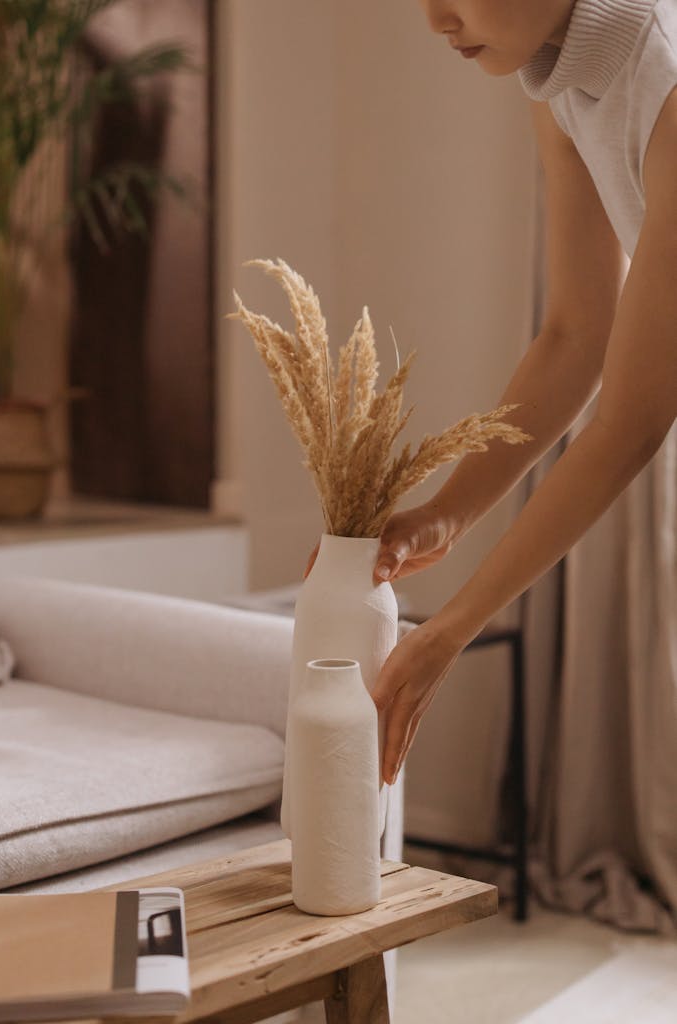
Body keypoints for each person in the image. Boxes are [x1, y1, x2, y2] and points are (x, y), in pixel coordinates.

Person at [368, 0, 677, 787]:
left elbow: (633, 419)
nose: (435, 19)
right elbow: (576, 335)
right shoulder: (558, 78)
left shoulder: (666, 73)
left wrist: (450, 628)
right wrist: (446, 512)